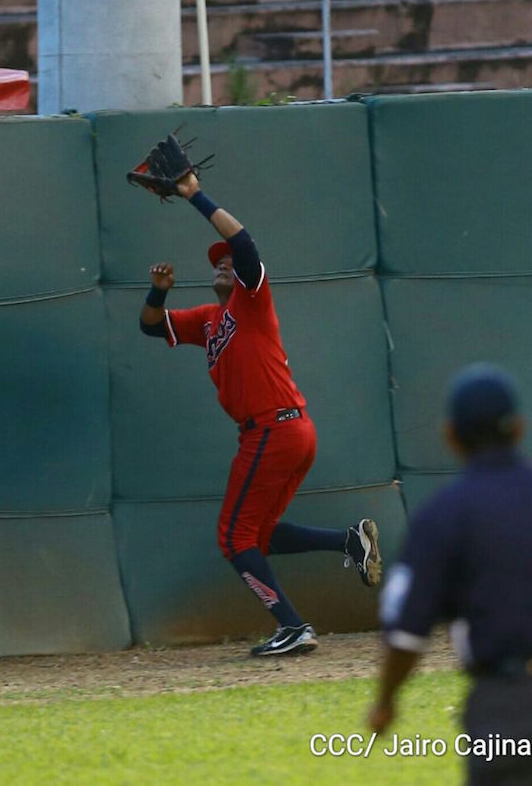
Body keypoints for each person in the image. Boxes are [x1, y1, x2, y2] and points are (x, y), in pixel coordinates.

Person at [139, 171, 382, 656]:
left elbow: (243, 242)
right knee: (258, 535)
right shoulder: (208, 321)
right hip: (287, 432)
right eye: (217, 263)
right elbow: (150, 327)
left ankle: (292, 627)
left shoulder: (252, 301)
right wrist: (159, 291)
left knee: (232, 536)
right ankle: (351, 542)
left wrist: (193, 194)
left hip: (274, 428)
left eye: (228, 262)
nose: (224, 264)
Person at [369, 363, 532, 784]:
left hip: (508, 705)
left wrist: (385, 701)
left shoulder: (443, 516)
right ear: (518, 429)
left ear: (451, 437)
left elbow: (406, 635)